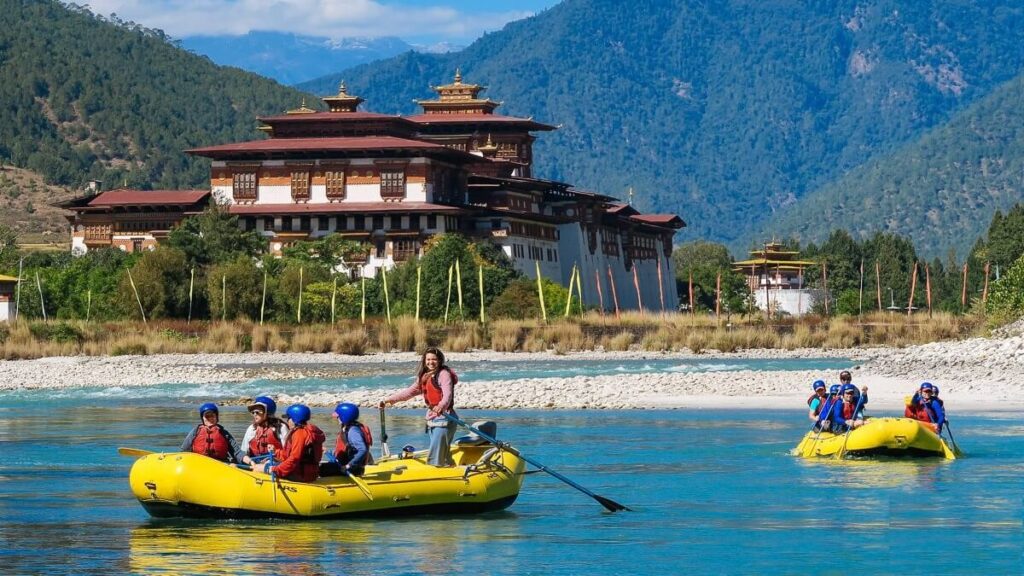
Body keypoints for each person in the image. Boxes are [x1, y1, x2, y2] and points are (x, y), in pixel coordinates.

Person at [380, 347, 459, 467]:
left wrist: (441, 406)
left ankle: (434, 474)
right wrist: (389, 400)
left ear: (440, 360)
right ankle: (453, 472)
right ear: (424, 361)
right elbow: (409, 392)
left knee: (436, 456)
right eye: (428, 359)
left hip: (445, 419)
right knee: (444, 454)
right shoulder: (424, 376)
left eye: (434, 359)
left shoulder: (444, 374)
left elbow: (447, 395)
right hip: (433, 419)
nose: (431, 362)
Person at [260, 404, 326, 483]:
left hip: (301, 474)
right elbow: (288, 456)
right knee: (265, 464)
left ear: (294, 419)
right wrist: (275, 451)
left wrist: (275, 469)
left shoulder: (300, 433)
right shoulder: (305, 431)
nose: (287, 421)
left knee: (258, 468)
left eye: (288, 418)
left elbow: (294, 459)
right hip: (307, 473)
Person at [180, 402, 246, 464]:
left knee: (233, 464)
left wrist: (251, 463)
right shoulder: (195, 431)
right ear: (202, 418)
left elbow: (237, 453)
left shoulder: (224, 433)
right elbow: (184, 451)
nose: (210, 418)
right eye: (207, 416)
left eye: (212, 415)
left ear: (216, 417)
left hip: (220, 465)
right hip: (199, 464)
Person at [321, 403, 374, 477]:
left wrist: (348, 466)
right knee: (321, 466)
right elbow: (346, 450)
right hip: (347, 466)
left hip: (352, 470)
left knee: (321, 469)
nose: (337, 418)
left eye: (338, 416)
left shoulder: (353, 431)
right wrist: (327, 452)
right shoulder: (348, 428)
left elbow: (362, 450)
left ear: (344, 416)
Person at [240, 395, 287, 467]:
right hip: (254, 463)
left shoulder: (280, 428)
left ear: (267, 413)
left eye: (258, 412)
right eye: (253, 412)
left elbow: (288, 453)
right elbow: (244, 451)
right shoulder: (251, 429)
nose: (255, 414)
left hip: (274, 463)